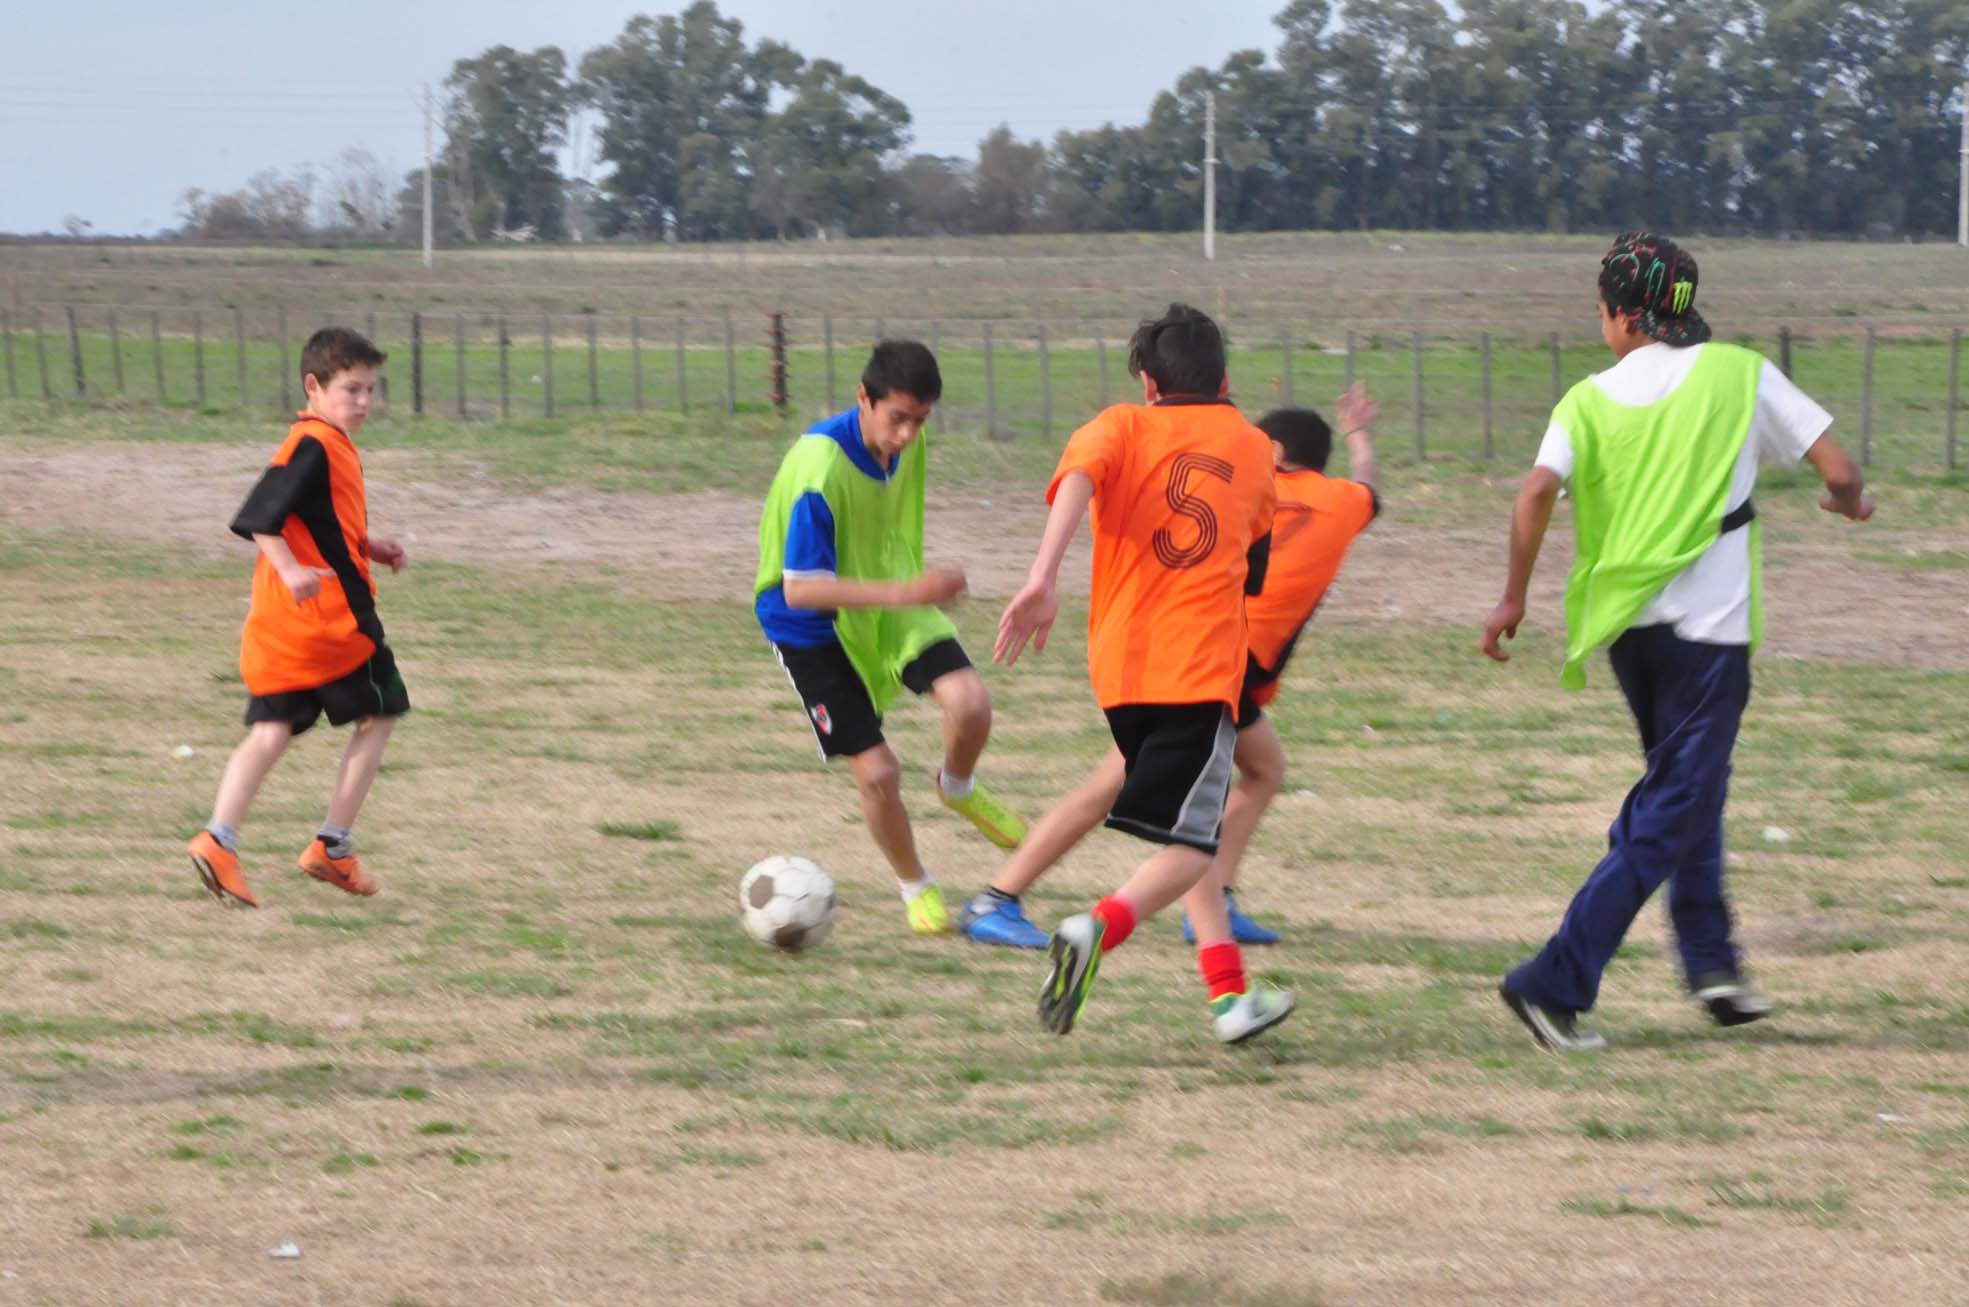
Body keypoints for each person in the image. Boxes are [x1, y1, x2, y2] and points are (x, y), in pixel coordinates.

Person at [1482, 231, 1874, 1052]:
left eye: (1599, 314)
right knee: (1673, 803)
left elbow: (1533, 493)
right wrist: (1846, 506)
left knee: (1689, 788)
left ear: (1625, 316)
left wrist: (1513, 596)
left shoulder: (1584, 400)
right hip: (1710, 633)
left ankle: (1711, 964)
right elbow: (1838, 471)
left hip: (1628, 631)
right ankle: (1553, 982)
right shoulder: (1738, 373)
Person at [962, 386, 1383, 951]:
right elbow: (1371, 488)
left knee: (1261, 770)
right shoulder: (1343, 502)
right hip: (1216, 666)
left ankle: (1212, 909)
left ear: (1273, 448)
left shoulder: (1240, 483)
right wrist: (1358, 433)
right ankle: (999, 898)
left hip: (1201, 656)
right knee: (1116, 788)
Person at [995, 303, 1290, 1043]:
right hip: (1196, 668)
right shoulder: (1254, 447)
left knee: (1183, 831)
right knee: (1196, 846)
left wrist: (1042, 576)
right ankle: (1095, 926)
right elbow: (1253, 566)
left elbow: (1076, 483)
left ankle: (1229, 1001)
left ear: (1148, 382)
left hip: (1120, 669)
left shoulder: (1117, 424)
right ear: (1224, 379)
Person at [754, 340, 1027, 936]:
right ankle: (916, 886)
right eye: (896, 418)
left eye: (919, 420)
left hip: (889, 596)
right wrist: (907, 593)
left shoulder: (908, 443)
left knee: (971, 704)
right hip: (811, 625)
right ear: (863, 398)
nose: (907, 435)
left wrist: (907, 589)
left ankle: (957, 787)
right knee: (877, 772)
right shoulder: (818, 470)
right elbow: (801, 589)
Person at [186, 327, 409, 907]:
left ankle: (218, 840)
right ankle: (333, 847)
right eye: (352, 389)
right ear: (314, 386)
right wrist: (288, 569)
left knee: (271, 731)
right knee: (382, 714)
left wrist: (367, 544)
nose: (363, 402)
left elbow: (319, 524)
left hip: (282, 630)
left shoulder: (322, 443)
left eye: (370, 390)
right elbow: (260, 517)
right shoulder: (312, 444)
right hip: (335, 628)